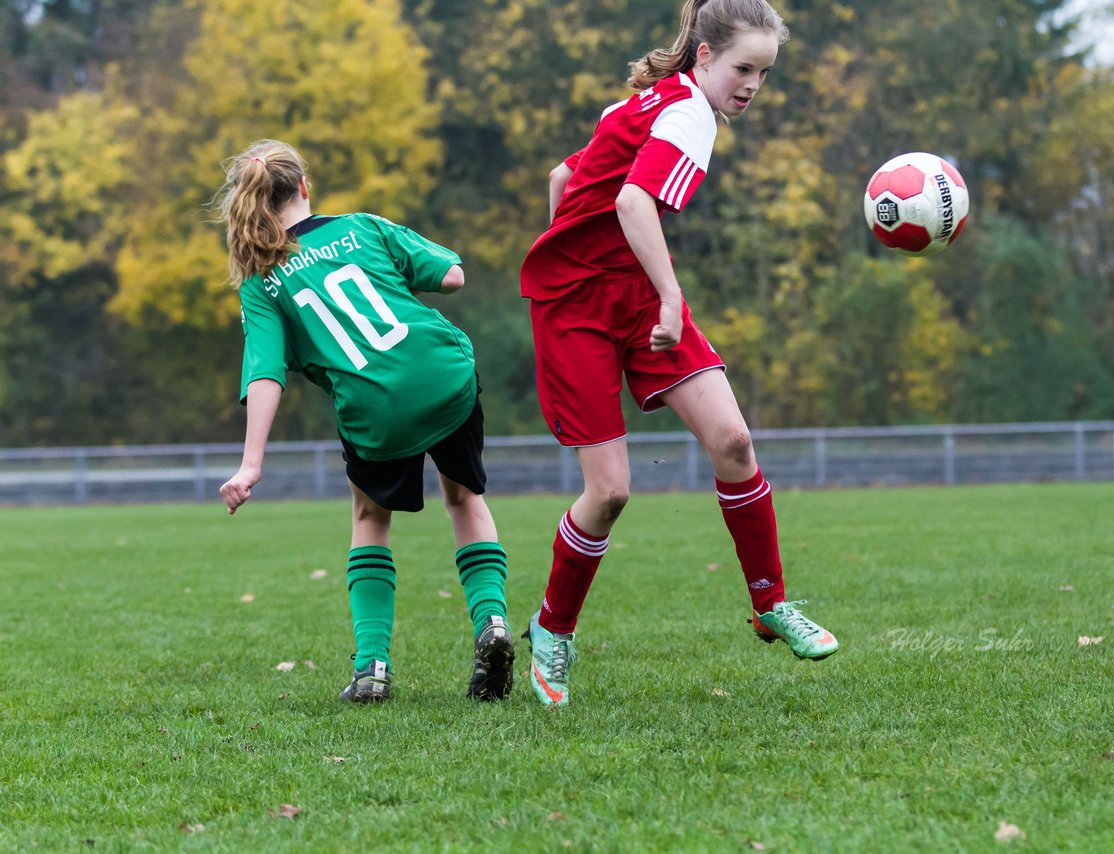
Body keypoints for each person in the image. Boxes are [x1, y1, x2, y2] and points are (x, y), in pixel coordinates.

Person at [518, 0, 838, 707]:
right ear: (703, 57)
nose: (752, 84)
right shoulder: (687, 114)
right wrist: (662, 293)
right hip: (579, 309)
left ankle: (770, 603)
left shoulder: (636, 104)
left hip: (630, 289)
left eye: (764, 72)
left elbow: (563, 178)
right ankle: (551, 630)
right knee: (610, 492)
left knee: (734, 442)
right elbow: (633, 204)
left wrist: (588, 250)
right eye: (743, 68)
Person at [216, 140, 514, 702]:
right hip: (443, 376)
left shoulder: (262, 282)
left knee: (370, 518)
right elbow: (452, 278)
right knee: (465, 498)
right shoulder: (363, 226)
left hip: (376, 408)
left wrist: (250, 464)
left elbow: (264, 374)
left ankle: (372, 669)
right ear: (304, 186)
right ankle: (493, 624)